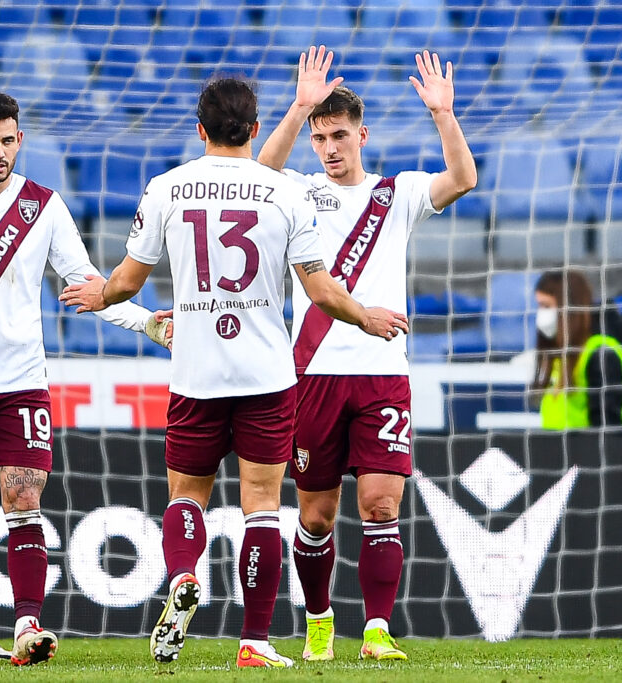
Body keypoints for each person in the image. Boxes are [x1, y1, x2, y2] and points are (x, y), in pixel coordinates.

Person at [60, 77, 408, 668]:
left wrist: (101, 295)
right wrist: (366, 317)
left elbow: (127, 280)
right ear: (254, 128)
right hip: (266, 375)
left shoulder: (167, 187)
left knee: (186, 495)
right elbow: (321, 291)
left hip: (196, 371)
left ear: (199, 129)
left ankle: (182, 574)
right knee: (263, 506)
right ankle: (254, 641)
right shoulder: (286, 192)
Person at [0, 91, 172, 668]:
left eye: (8, 141)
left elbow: (89, 284)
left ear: (20, 141)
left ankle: (28, 623)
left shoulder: (43, 205)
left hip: (20, 381)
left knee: (23, 495)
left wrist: (146, 322)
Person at [255, 46, 477, 661]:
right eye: (320, 138)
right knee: (316, 516)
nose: (329, 148)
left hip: (382, 375)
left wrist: (443, 115)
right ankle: (319, 620)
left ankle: (377, 631)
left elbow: (462, 178)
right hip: (313, 376)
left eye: (339, 136)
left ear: (362, 135)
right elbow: (259, 175)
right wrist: (298, 109)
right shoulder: (299, 192)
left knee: (381, 504)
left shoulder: (397, 193)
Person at [532, 269, 622, 428]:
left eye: (546, 306)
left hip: (584, 444)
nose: (541, 314)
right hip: (554, 443)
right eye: (539, 305)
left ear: (568, 307)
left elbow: (607, 428)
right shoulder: (561, 353)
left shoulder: (601, 354)